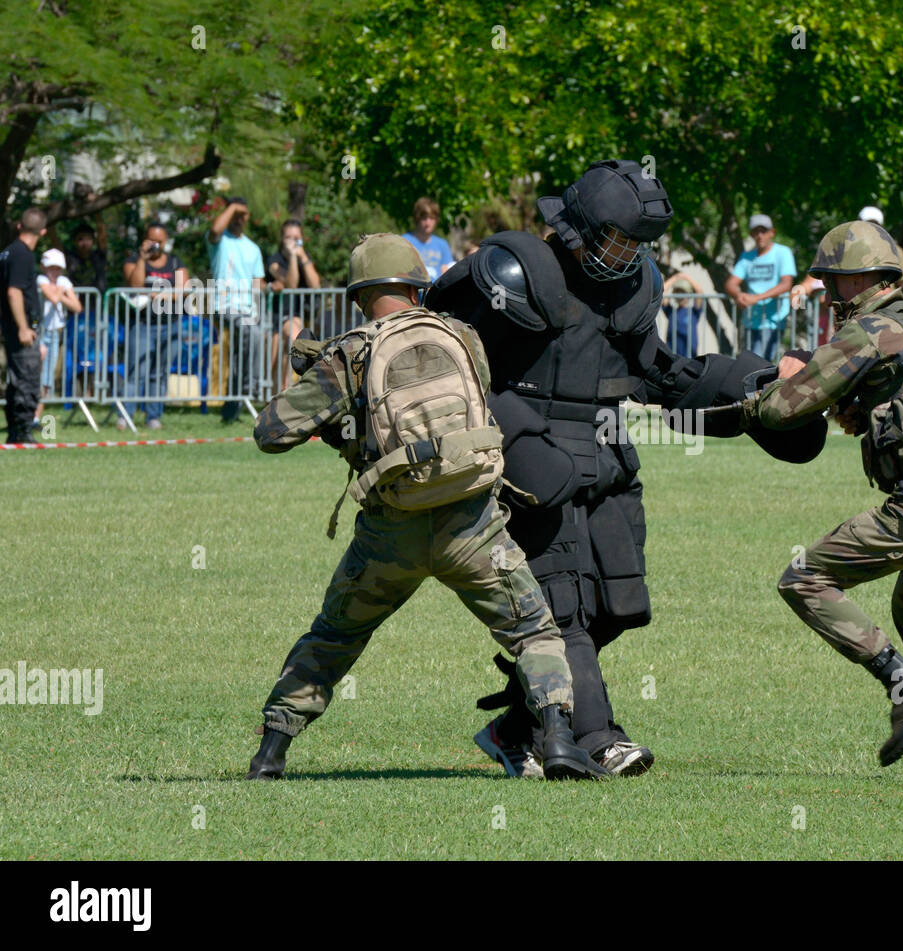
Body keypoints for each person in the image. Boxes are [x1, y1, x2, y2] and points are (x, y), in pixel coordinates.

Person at [426, 159, 825, 777]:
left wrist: (760, 384)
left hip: (606, 457)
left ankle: (515, 728)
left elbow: (661, 375)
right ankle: (597, 738)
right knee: (565, 612)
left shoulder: (633, 286)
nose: (628, 253)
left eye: (638, 243)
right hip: (532, 465)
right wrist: (515, 442)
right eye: (618, 239)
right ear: (580, 228)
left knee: (618, 604)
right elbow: (448, 364)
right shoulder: (512, 272)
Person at [245, 233, 606, 782]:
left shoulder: (349, 353)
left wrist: (330, 397)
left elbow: (270, 433)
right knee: (534, 632)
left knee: (335, 636)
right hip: (473, 522)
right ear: (418, 286)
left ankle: (270, 754)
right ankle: (558, 740)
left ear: (358, 296)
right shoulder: (462, 337)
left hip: (393, 531)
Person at [741, 219, 903, 775]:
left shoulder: (870, 330)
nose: (829, 293)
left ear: (863, 279)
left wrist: (778, 381)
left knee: (803, 578)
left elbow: (780, 410)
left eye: (834, 282)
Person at [121, 221, 187, 430]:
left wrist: (158, 295)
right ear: (145, 240)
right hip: (142, 325)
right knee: (135, 371)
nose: (156, 245)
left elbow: (183, 290)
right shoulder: (134, 260)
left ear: (166, 241)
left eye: (160, 241)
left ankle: (153, 416)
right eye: (152, 241)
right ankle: (125, 415)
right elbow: (135, 285)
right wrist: (142, 258)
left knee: (159, 373)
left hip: (170, 325)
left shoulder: (175, 262)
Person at [206, 197, 266, 422]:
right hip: (225, 306)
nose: (239, 219)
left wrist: (271, 286)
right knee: (252, 334)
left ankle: (232, 407)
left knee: (242, 355)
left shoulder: (253, 248)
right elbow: (214, 228)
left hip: (249, 308)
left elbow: (258, 283)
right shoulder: (219, 240)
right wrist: (232, 208)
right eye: (235, 215)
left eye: (243, 215)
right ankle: (252, 387)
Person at [1, 208, 47, 445]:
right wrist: (23, 327)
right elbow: (14, 292)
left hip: (9, 327)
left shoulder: (8, 252)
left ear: (20, 226)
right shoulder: (23, 255)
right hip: (21, 328)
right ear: (43, 231)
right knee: (28, 380)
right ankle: (24, 433)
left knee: (17, 381)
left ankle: (15, 433)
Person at [725, 213, 796, 361]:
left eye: (763, 231)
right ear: (751, 234)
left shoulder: (783, 252)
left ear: (772, 232)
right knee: (748, 363)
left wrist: (756, 298)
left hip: (773, 320)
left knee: (758, 364)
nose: (759, 235)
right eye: (756, 232)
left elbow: (786, 284)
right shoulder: (746, 256)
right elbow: (731, 283)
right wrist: (739, 295)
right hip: (750, 320)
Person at [265, 219, 320, 388]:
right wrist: (293, 258)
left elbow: (316, 285)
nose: (293, 242)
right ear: (282, 239)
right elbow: (291, 284)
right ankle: (278, 393)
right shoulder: (275, 260)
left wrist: (302, 256)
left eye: (297, 238)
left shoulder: (304, 257)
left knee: (290, 346)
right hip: (274, 318)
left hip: (296, 316)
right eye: (289, 237)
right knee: (275, 361)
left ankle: (283, 392)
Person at [35, 248, 82, 422]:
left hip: (55, 333)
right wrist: (61, 293)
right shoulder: (40, 279)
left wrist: (59, 294)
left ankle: (35, 418)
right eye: (50, 268)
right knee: (35, 375)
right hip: (39, 331)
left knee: (47, 377)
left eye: (57, 268)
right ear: (43, 267)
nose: (54, 272)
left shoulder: (63, 281)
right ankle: (26, 415)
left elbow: (76, 307)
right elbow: (53, 298)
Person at [402, 197, 455, 278]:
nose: (428, 223)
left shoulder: (442, 244)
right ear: (417, 218)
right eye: (424, 218)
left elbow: (447, 273)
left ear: (436, 220)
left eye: (431, 218)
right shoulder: (404, 241)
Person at [662, 271, 705, 357]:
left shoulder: (693, 311)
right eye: (677, 292)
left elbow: (700, 292)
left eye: (683, 292)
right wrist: (676, 278)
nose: (680, 295)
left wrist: (686, 277)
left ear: (689, 294)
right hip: (672, 355)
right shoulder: (671, 311)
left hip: (689, 356)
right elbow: (662, 291)